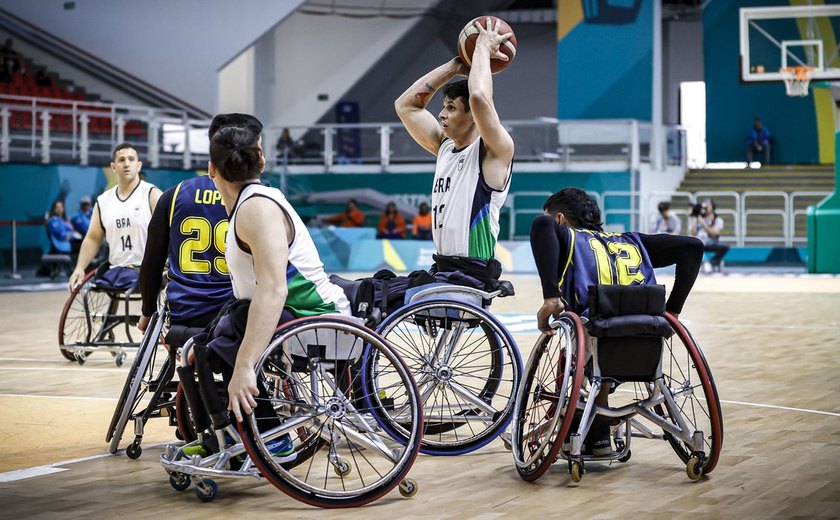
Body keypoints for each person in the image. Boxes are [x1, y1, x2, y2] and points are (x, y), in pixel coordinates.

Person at [204, 125, 351, 454]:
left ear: (211, 168)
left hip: (318, 319)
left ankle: (273, 438)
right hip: (300, 316)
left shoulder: (257, 209)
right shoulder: (250, 204)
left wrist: (244, 365)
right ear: (262, 161)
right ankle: (232, 436)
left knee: (229, 332)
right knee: (218, 332)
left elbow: (273, 291)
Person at [530, 187, 703, 455]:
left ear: (560, 220)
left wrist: (551, 295)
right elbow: (693, 247)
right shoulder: (632, 240)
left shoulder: (569, 237)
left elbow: (542, 225)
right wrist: (673, 311)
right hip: (646, 332)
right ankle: (599, 432)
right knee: (602, 339)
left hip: (598, 333)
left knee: (581, 345)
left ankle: (586, 426)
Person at [395, 18, 514, 281]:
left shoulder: (493, 150)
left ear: (473, 116)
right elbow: (406, 106)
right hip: (443, 267)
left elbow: (479, 97)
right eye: (443, 106)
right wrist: (454, 66)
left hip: (473, 272)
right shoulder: (445, 147)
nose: (441, 114)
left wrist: (482, 48)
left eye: (451, 108)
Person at [136, 114, 263, 334]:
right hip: (238, 314)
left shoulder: (173, 195)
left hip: (185, 312)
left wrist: (147, 310)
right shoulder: (262, 200)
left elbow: (151, 263)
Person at [68, 143, 161, 291]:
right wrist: (79, 268)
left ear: (139, 165)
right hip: (116, 270)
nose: (126, 164)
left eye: (131, 159)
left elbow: (170, 232)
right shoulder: (103, 201)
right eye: (122, 160)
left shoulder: (152, 194)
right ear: (113, 167)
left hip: (148, 269)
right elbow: (92, 238)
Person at [689, 198, 729, 273]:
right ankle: (694, 266)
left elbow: (714, 233)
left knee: (725, 246)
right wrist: (696, 217)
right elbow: (693, 233)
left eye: (708, 205)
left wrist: (704, 223)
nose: (706, 207)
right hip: (699, 243)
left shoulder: (717, 219)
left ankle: (711, 263)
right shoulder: (698, 218)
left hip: (710, 243)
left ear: (712, 207)